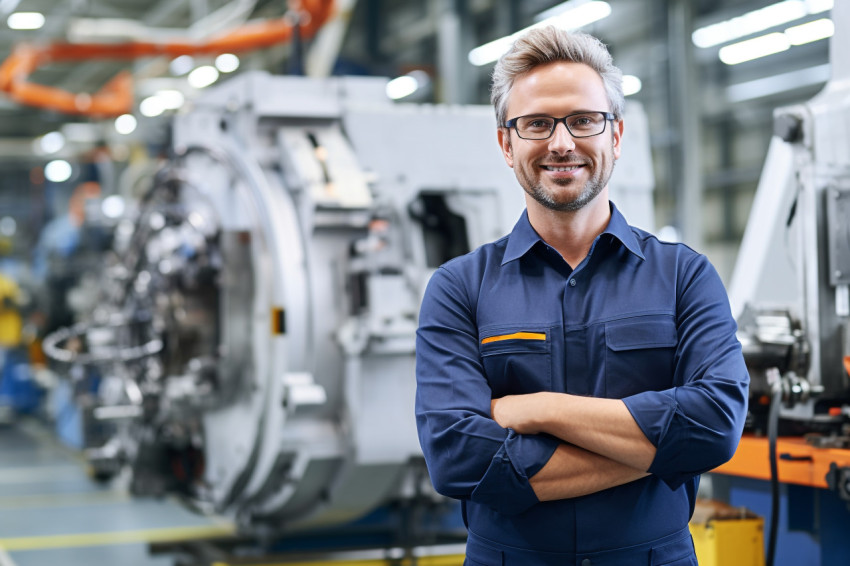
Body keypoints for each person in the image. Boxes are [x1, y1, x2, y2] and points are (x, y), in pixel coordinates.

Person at [414, 27, 749, 565]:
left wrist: (538, 409)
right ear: (507, 143)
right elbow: (457, 457)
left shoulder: (685, 276)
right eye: (538, 123)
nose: (562, 142)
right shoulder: (459, 288)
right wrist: (662, 452)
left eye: (584, 120)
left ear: (615, 136)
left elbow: (714, 424)